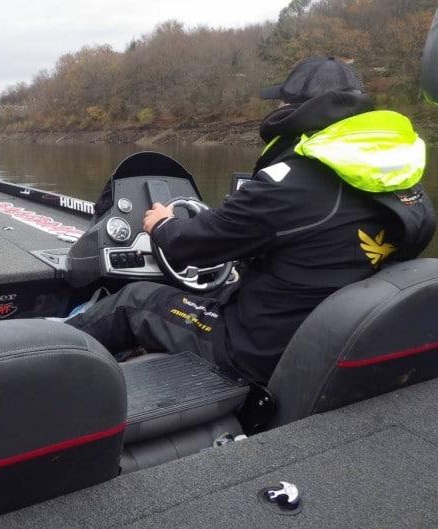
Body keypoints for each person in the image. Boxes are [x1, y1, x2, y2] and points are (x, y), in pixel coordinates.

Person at [67, 57, 435, 385]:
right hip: (325, 340)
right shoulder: (403, 182)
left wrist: (161, 224)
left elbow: (191, 246)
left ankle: (46, 352)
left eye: (281, 101)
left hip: (254, 349)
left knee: (131, 302)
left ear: (295, 108)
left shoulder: (293, 182)